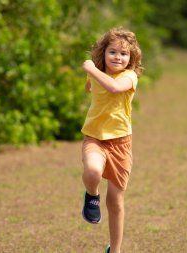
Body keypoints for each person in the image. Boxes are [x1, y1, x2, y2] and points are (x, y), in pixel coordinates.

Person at [80, 27, 143, 253]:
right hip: (95, 137)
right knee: (93, 171)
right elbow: (91, 86)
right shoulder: (96, 73)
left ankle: (114, 250)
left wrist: (89, 69)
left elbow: (114, 88)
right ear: (103, 53)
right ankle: (91, 196)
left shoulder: (129, 76)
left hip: (120, 143)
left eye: (124, 54)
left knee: (116, 202)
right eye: (113, 52)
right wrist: (91, 77)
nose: (118, 57)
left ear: (131, 58)